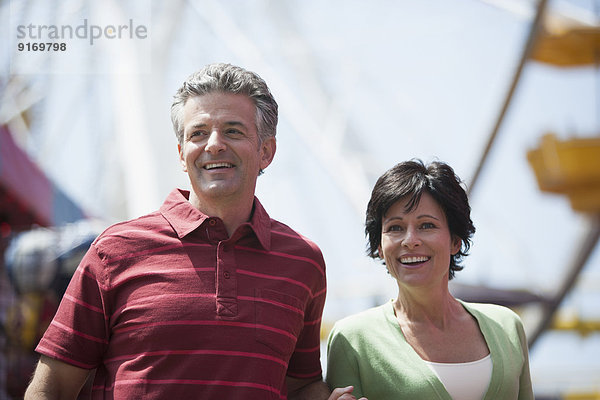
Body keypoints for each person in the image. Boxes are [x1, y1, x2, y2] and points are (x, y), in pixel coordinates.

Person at [24, 63, 364, 400]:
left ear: (266, 151)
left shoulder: (303, 262)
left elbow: (299, 385)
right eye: (198, 133)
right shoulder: (114, 250)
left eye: (233, 131)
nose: (214, 145)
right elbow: (52, 387)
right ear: (182, 155)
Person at [326, 160, 534, 400]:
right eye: (395, 228)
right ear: (380, 247)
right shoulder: (352, 339)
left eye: (426, 225)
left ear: (455, 240)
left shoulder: (507, 327)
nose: (410, 240)